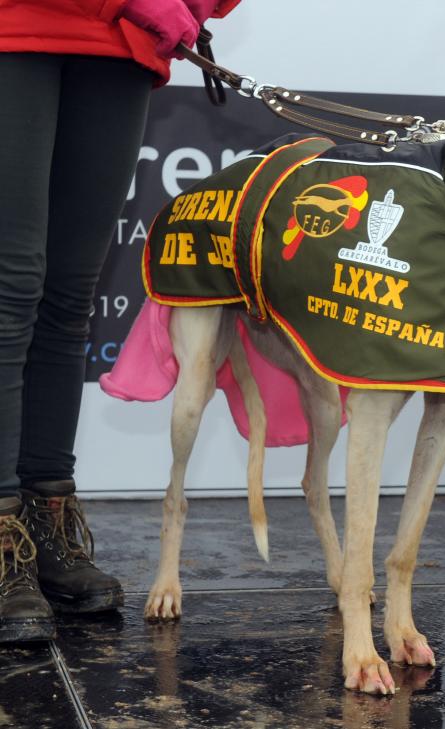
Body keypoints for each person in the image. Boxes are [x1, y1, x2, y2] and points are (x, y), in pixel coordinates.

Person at [0, 0, 240, 644]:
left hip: (122, 47)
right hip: (17, 25)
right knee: (11, 284)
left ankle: (48, 525)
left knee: (71, 289)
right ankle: (0, 538)